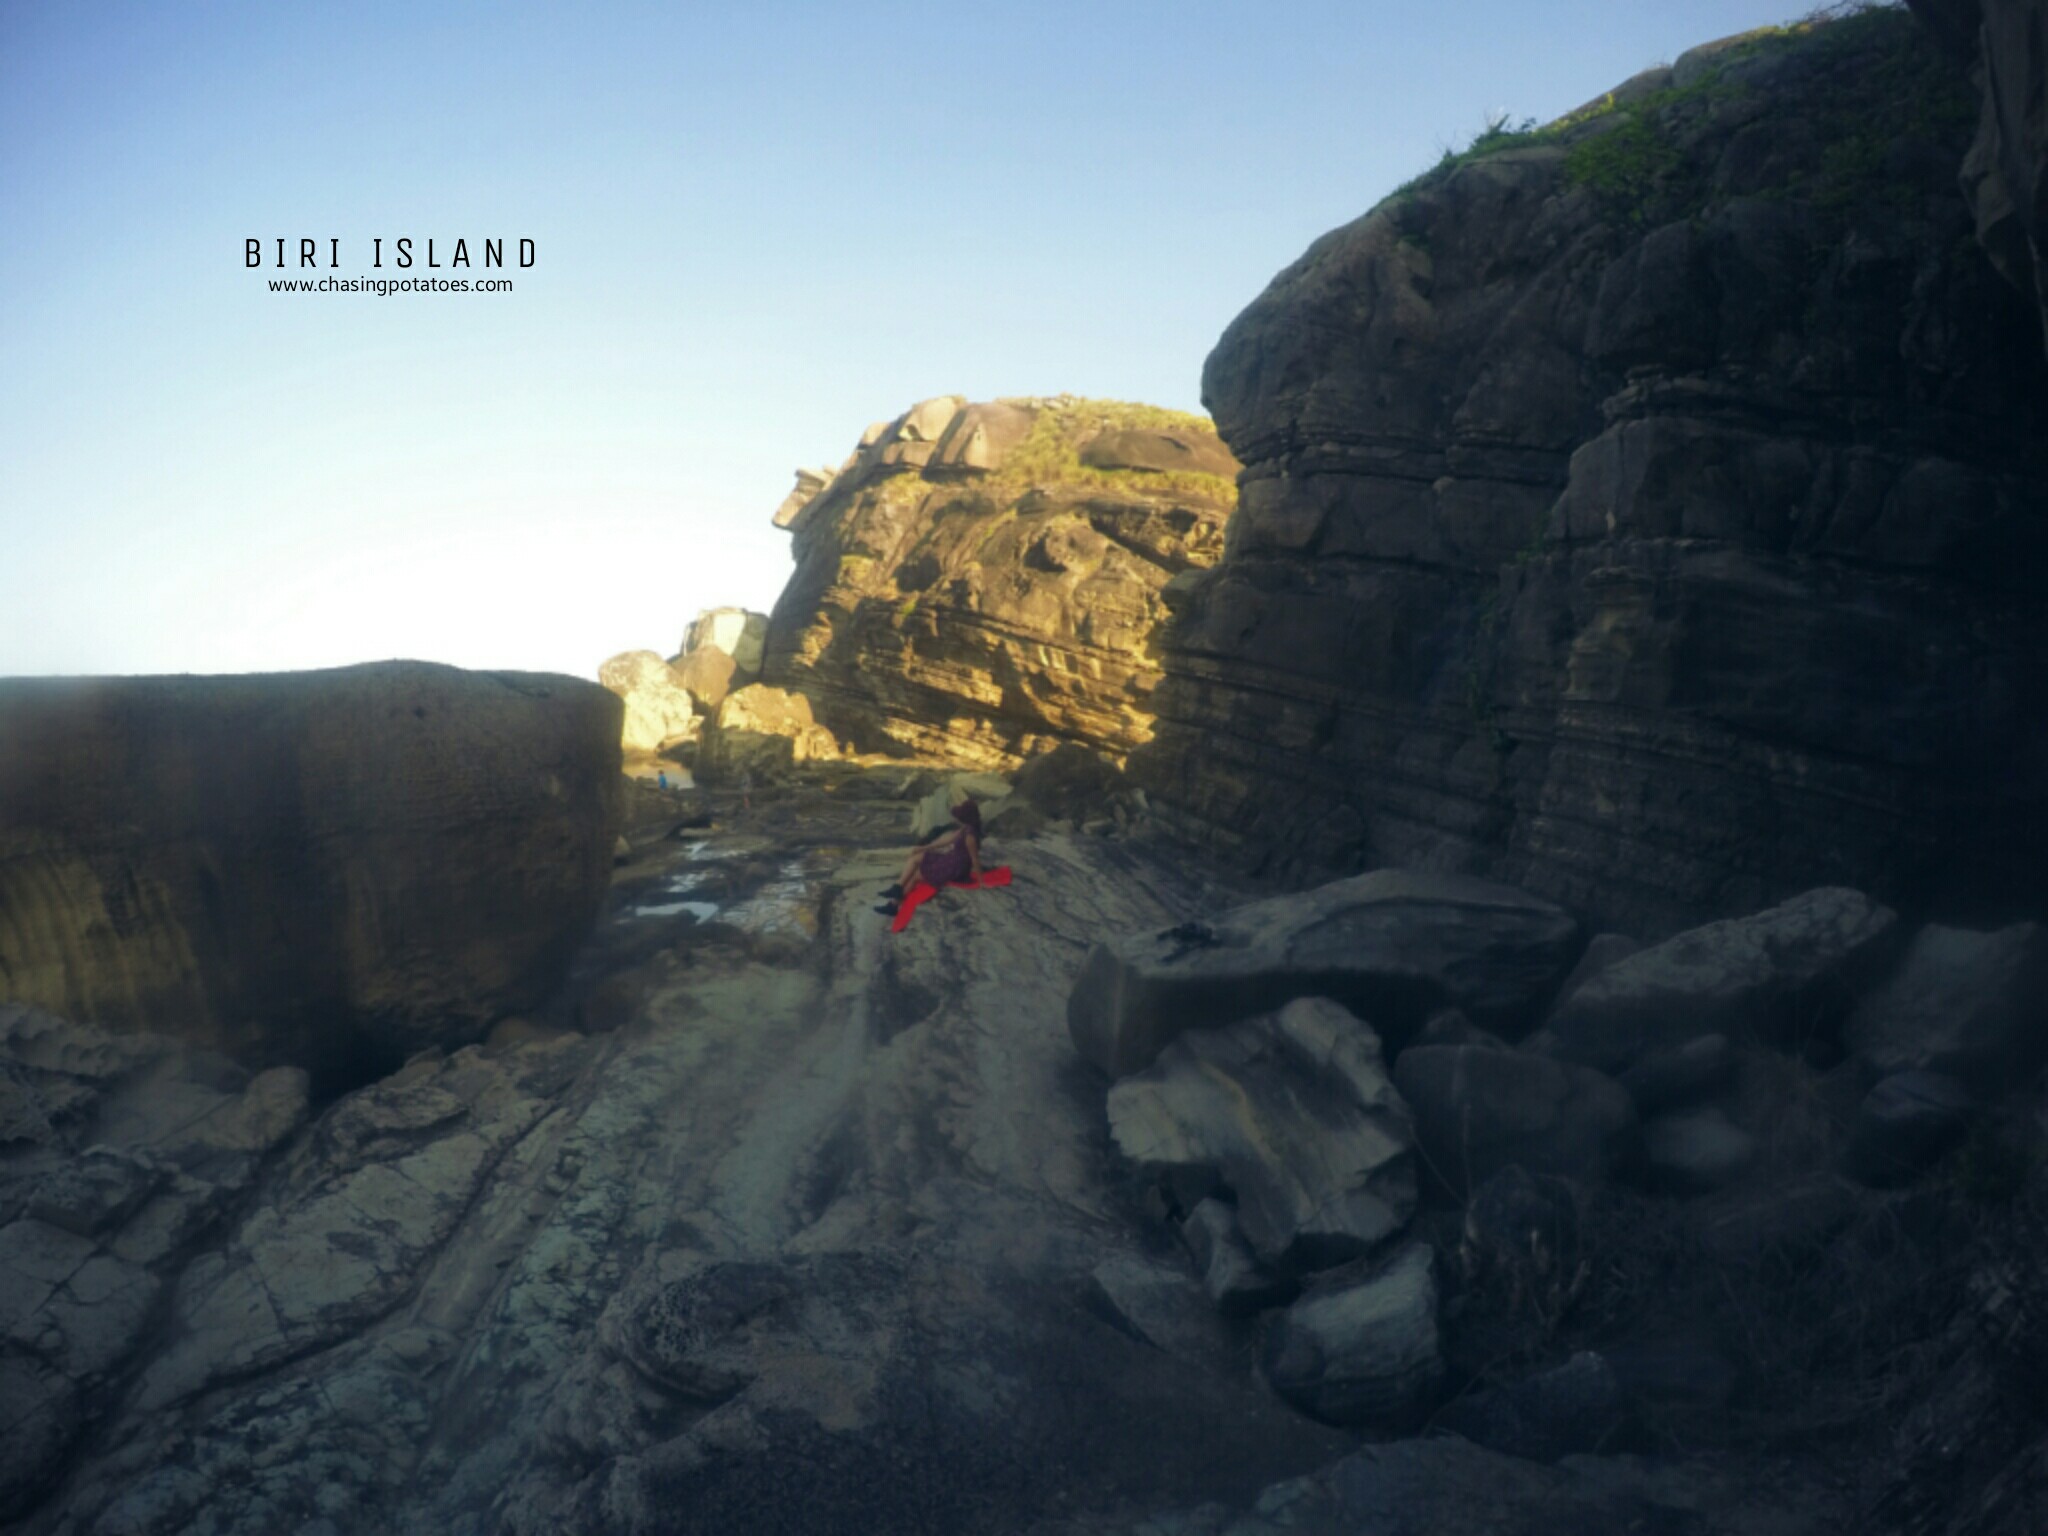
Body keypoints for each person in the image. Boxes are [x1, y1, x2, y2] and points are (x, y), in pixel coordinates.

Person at [876, 793, 982, 916]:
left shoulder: (970, 835)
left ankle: (893, 903)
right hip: (951, 860)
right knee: (916, 858)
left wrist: (981, 882)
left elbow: (974, 859)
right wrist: (924, 847)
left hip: (956, 869)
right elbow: (946, 840)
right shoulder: (966, 828)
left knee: (916, 875)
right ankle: (897, 888)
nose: (957, 818)